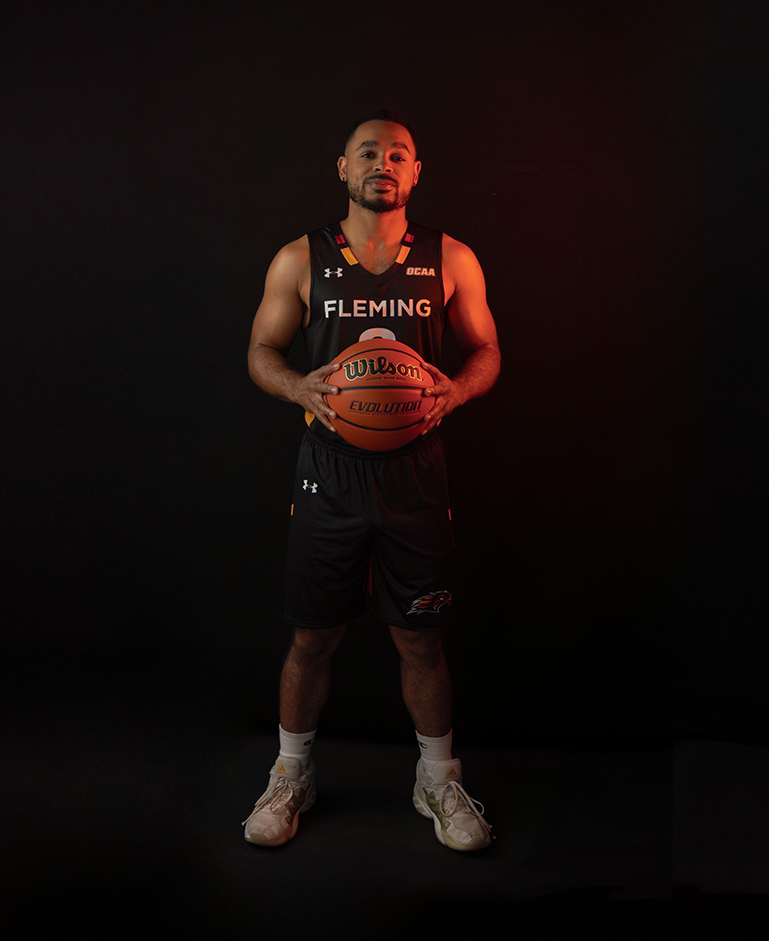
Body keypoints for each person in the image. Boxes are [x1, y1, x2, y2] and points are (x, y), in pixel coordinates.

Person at [244, 108, 500, 851]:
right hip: (329, 471)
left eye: (397, 154)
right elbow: (262, 349)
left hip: (415, 472)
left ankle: (438, 778)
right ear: (343, 168)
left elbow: (486, 350)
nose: (381, 164)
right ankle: (291, 774)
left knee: (421, 639)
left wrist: (456, 390)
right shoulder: (300, 257)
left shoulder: (452, 258)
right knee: (312, 637)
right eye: (367, 153)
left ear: (415, 172)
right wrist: (298, 387)